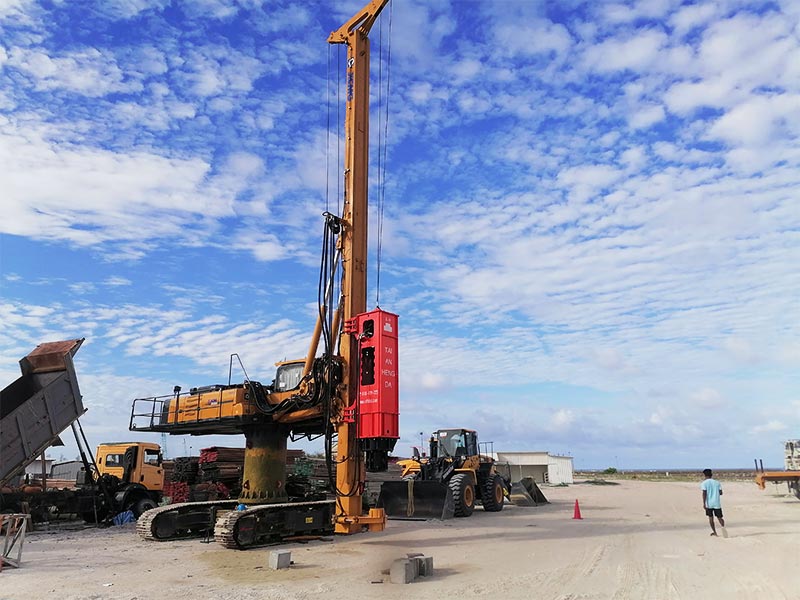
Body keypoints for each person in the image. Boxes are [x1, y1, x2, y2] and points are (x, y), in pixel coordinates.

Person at [701, 468, 727, 537]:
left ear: (704, 475)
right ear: (711, 475)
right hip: (717, 503)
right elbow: (721, 493)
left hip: (709, 504)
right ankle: (724, 530)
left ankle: (715, 532)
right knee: (719, 517)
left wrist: (704, 503)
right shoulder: (717, 482)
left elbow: (704, 493)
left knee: (711, 518)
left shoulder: (704, 483)